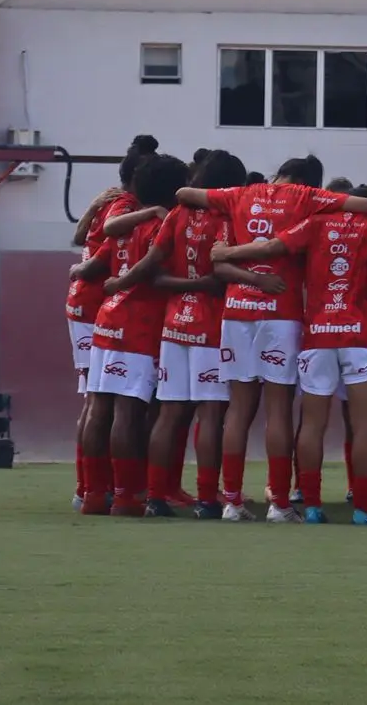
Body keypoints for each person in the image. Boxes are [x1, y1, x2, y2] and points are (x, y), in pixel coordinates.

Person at [175, 156, 367, 522]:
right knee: (278, 410)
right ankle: (279, 504)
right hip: (280, 312)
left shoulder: (239, 195)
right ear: (306, 181)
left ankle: (232, 502)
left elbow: (184, 193)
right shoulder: (306, 197)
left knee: (237, 410)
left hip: (237, 310)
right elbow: (365, 205)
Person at [212, 198, 367, 525]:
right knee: (364, 427)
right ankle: (363, 510)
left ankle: (312, 507)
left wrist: (226, 253)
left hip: (318, 334)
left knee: (312, 425)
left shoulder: (315, 224)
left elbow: (272, 247)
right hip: (362, 335)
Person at [72, 153, 190, 515]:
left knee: (97, 408)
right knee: (127, 413)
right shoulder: (164, 225)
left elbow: (92, 265)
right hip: (139, 326)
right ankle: (125, 496)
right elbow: (158, 275)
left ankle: (93, 494)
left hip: (106, 320)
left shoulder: (125, 225)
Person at [142, 149, 246, 519]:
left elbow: (155, 275)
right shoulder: (227, 217)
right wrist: (205, 284)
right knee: (211, 414)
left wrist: (189, 284)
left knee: (169, 413)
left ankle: (154, 496)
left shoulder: (176, 214)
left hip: (174, 325)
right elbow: (223, 274)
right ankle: (206, 499)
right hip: (211, 326)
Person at [66, 134, 158, 509]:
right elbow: (100, 249)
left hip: (93, 305)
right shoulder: (127, 207)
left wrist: (91, 208)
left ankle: (90, 489)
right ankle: (98, 489)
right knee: (105, 402)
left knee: (97, 399)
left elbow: (80, 237)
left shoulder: (112, 201)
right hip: (100, 303)